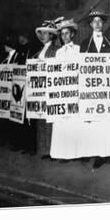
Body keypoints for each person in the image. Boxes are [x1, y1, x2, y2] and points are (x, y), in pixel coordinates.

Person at [79, 9, 110, 169]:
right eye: (94, 21)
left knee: (108, 120)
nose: (97, 24)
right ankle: (98, 155)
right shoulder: (84, 44)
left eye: (100, 21)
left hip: (107, 88)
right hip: (92, 89)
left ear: (103, 24)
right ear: (90, 24)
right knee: (95, 121)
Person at [49, 18, 83, 161]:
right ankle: (63, 153)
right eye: (62, 34)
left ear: (72, 34)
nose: (64, 36)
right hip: (62, 91)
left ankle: (76, 153)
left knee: (74, 121)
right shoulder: (59, 53)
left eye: (67, 33)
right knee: (62, 121)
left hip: (74, 89)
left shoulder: (78, 50)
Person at [32, 19, 59, 158]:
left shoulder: (56, 50)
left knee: (50, 119)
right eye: (41, 33)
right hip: (40, 88)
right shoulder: (38, 52)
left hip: (50, 87)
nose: (43, 36)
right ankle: (43, 149)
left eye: (46, 33)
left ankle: (51, 150)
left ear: (52, 35)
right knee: (41, 118)